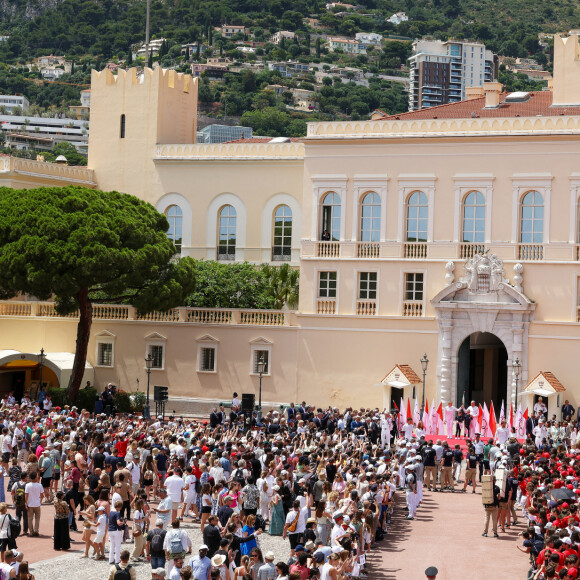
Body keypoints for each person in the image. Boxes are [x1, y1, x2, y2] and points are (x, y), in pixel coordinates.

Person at [108, 500, 126, 565]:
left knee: (112, 545)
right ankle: (117, 560)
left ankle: (111, 559)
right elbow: (118, 523)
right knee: (118, 546)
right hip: (116, 530)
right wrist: (123, 522)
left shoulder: (111, 512)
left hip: (110, 530)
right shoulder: (117, 513)